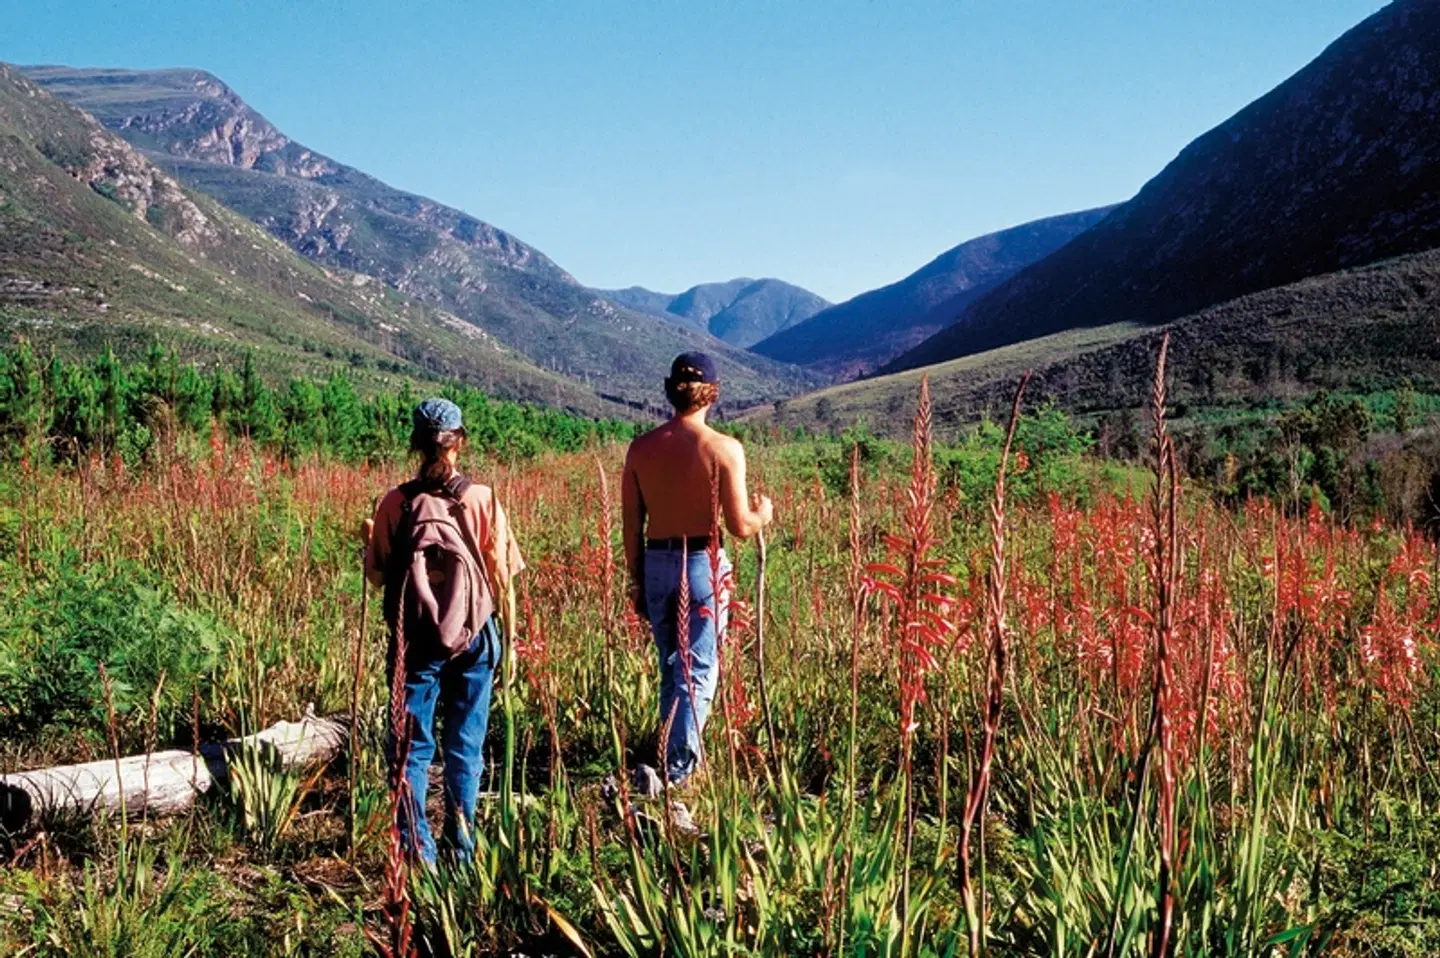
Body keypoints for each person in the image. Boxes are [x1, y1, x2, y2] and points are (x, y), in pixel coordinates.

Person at [362, 398, 523, 864]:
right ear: (459, 443)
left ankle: (418, 855)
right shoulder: (483, 499)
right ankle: (462, 850)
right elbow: (502, 580)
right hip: (475, 635)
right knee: (465, 747)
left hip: (414, 640)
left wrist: (367, 538)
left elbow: (378, 579)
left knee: (410, 749)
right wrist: (509, 643)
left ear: (415, 444)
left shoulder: (395, 503)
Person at [622, 353, 775, 791]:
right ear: (712, 393)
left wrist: (636, 579)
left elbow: (631, 525)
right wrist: (763, 514)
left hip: (655, 562)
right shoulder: (724, 448)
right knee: (698, 670)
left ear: (671, 390)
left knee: (670, 665)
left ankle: (667, 756)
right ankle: (680, 773)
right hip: (702, 564)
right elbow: (740, 526)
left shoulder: (641, 448)